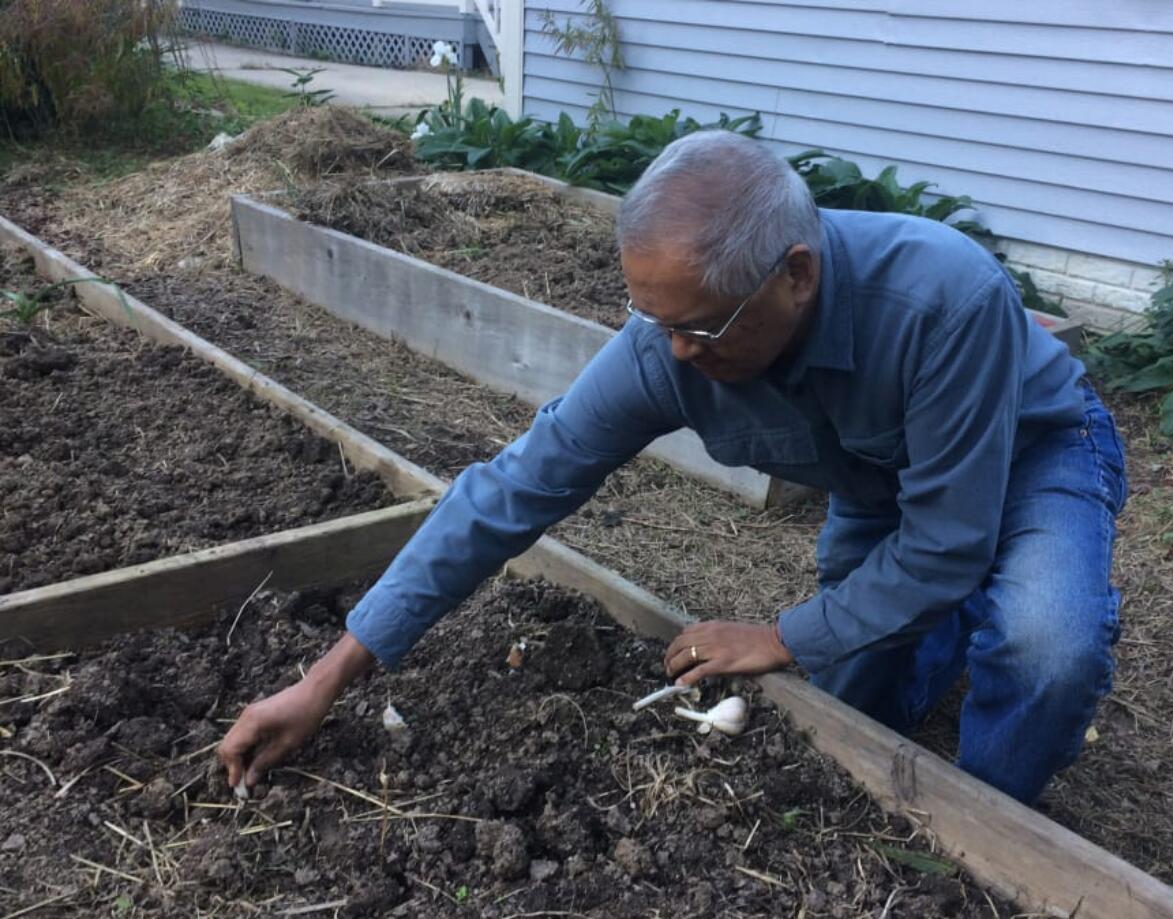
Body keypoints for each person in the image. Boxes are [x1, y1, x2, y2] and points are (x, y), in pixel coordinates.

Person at [218, 131, 1126, 805]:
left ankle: (992, 818)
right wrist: (325, 678)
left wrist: (780, 633)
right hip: (883, 483)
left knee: (1046, 645)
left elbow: (944, 542)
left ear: (796, 274)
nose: (678, 352)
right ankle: (945, 637)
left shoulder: (941, 298)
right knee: (856, 697)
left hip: (1035, 446)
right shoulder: (668, 345)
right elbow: (509, 492)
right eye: (656, 320)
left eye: (704, 326)